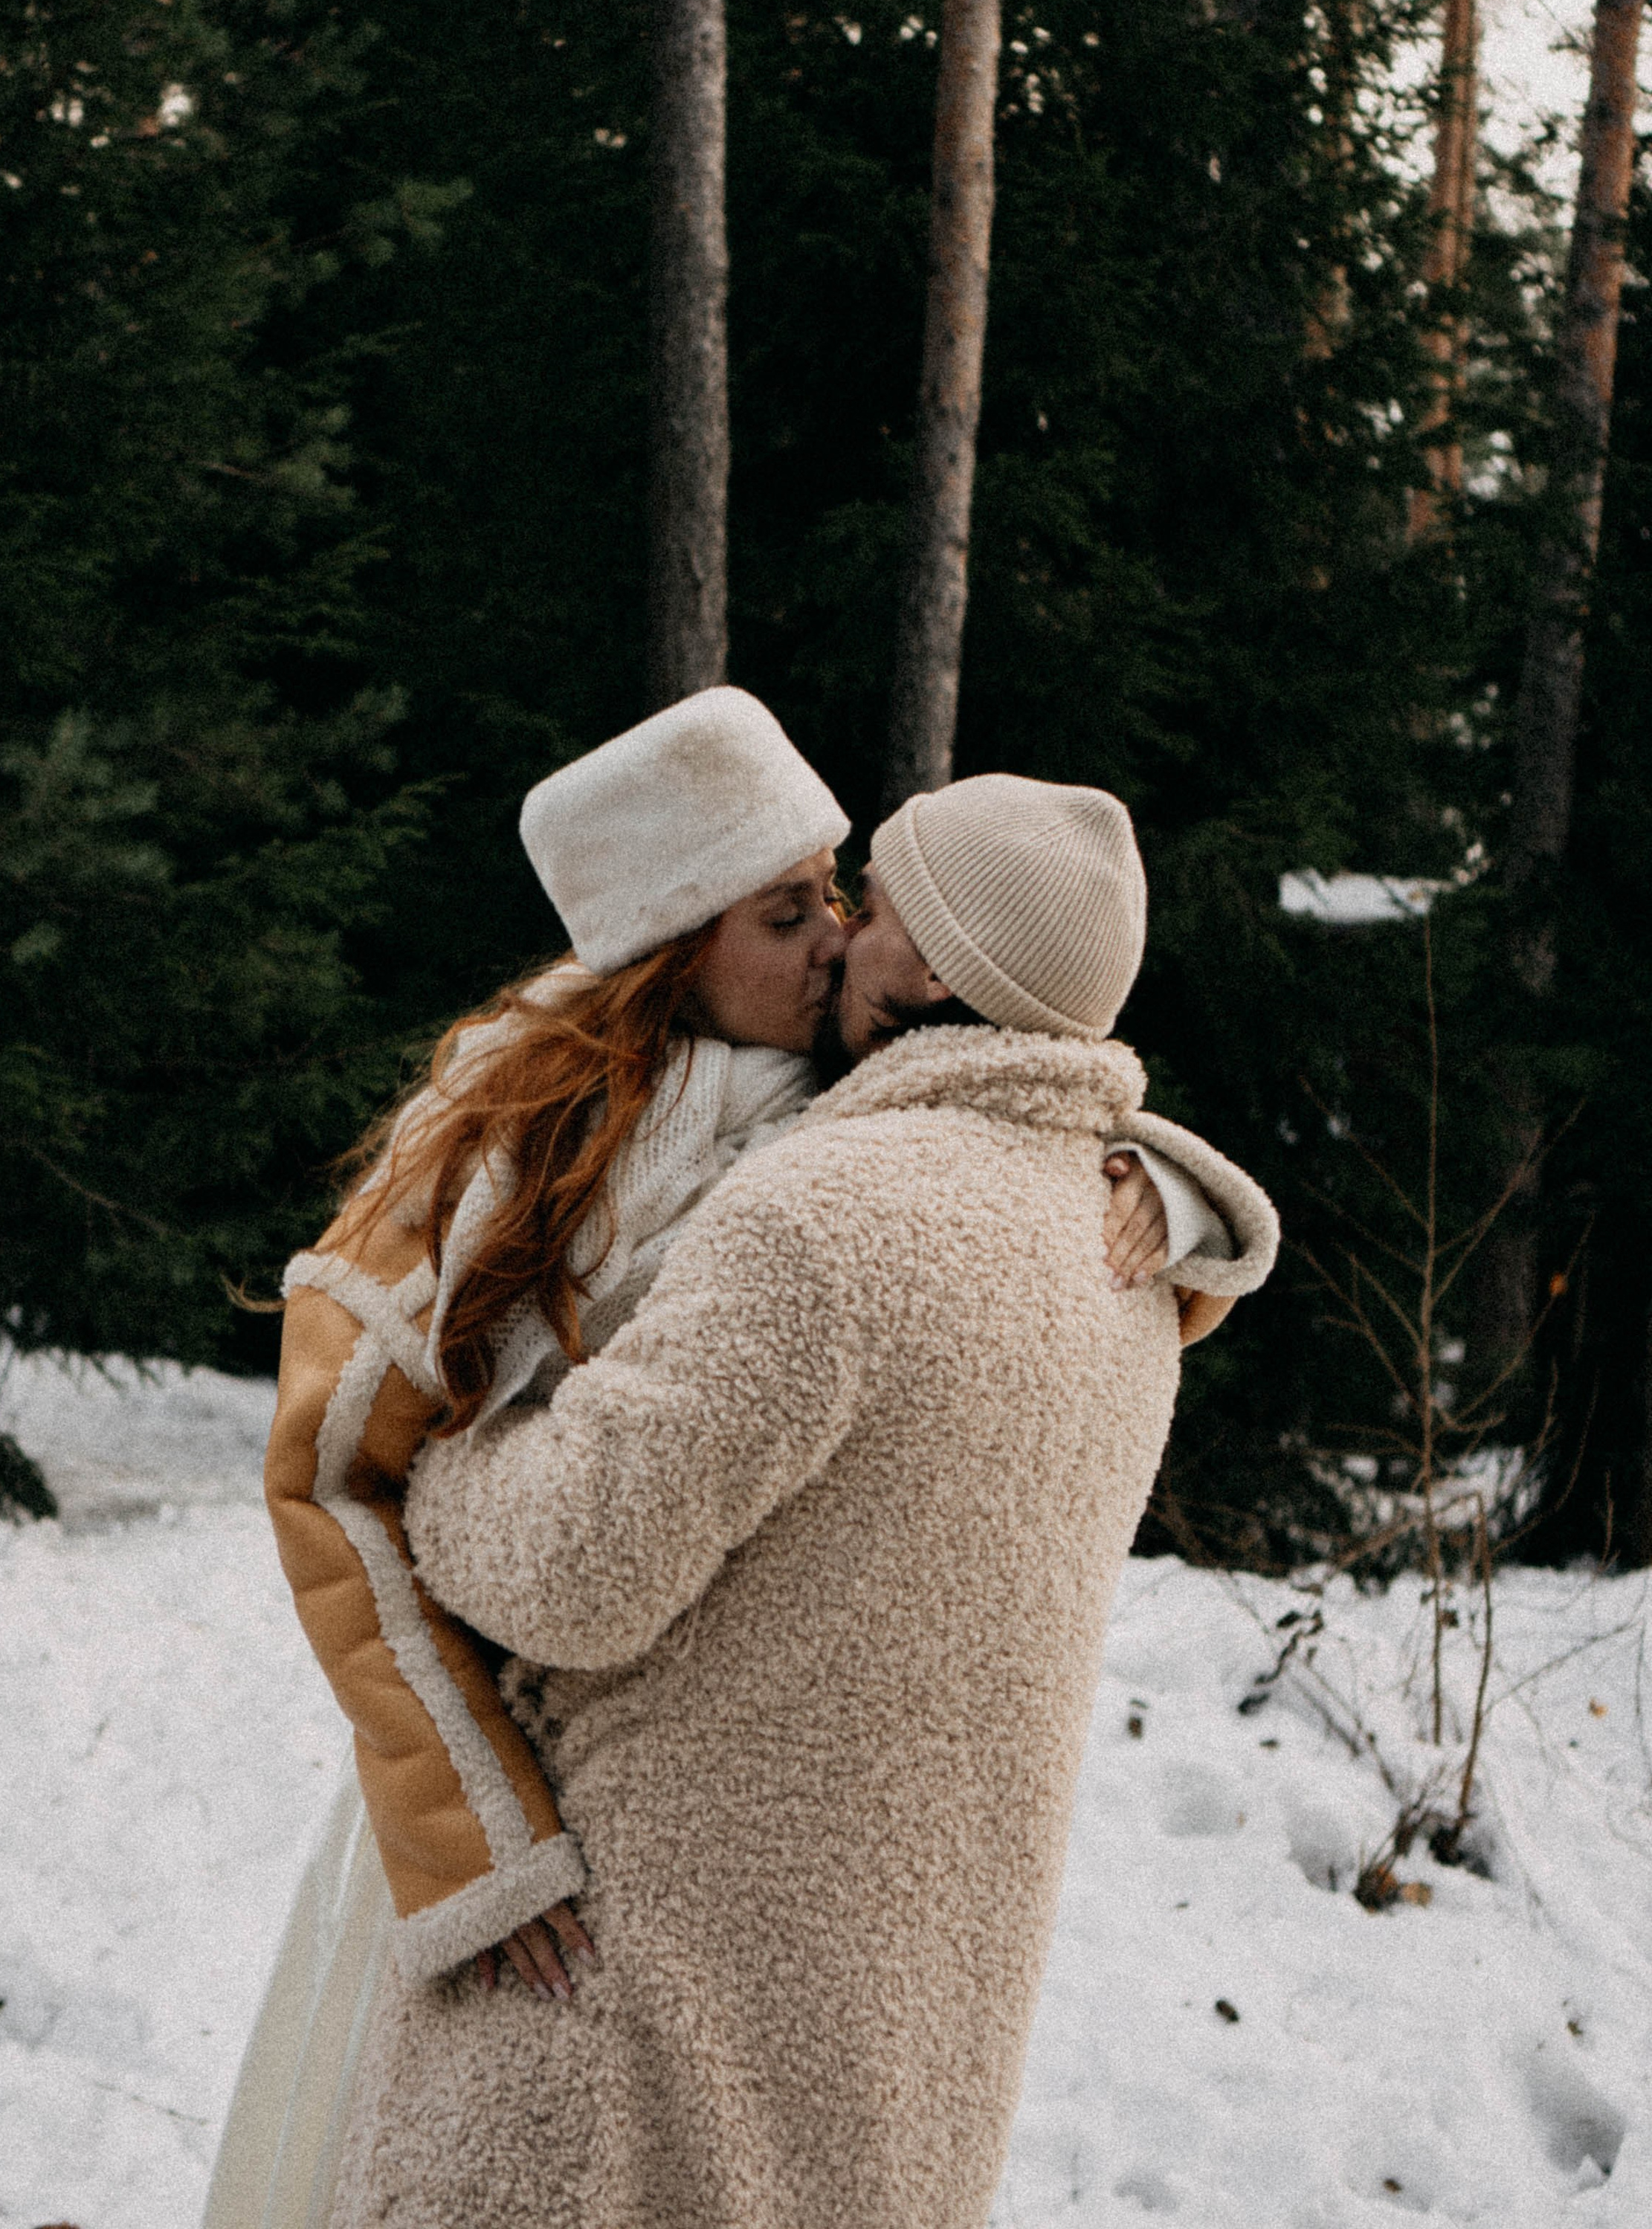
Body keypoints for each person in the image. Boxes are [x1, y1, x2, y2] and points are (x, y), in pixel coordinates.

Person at [205, 700, 1248, 2229]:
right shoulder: (507, 1146)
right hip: (502, 1813)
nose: (833, 938)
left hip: (708, 1863)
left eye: (845, 895)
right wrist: (470, 1836)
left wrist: (1178, 1187)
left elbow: (998, 1123)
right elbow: (333, 1484)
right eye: (791, 908)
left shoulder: (843, 1129)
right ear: (665, 944)